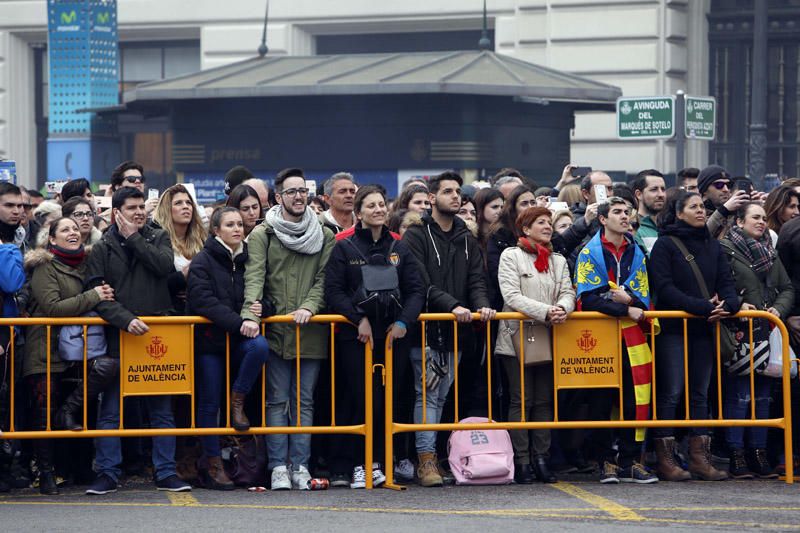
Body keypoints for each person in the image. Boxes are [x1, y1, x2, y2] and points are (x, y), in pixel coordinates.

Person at [84, 187, 190, 494]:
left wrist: (133, 237)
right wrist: (125, 319)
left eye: (142, 206)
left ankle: (166, 472)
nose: (139, 212)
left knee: (161, 410)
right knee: (111, 411)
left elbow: (163, 266)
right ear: (117, 212)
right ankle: (107, 472)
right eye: (132, 207)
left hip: (158, 333)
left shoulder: (157, 237)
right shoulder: (102, 247)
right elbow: (97, 294)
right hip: (121, 335)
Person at [241, 167, 335, 491]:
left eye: (302, 190)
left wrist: (310, 306)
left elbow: (324, 279)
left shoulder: (324, 232)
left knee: (304, 400)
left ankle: (302, 465)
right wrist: (250, 315)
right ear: (278, 197)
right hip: (277, 328)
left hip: (310, 329)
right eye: (291, 191)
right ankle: (279, 466)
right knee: (277, 400)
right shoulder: (262, 234)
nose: (298, 196)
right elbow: (254, 276)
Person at [325, 185, 425, 489]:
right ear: (359, 212)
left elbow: (416, 290)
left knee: (389, 403)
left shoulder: (400, 247)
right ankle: (360, 464)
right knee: (361, 401)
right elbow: (333, 292)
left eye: (382, 205)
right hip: (357, 339)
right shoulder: (344, 247)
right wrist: (359, 320)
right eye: (371, 206)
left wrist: (403, 323)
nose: (379, 210)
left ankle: (382, 463)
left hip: (394, 338)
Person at [403, 170, 495, 487]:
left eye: (458, 192)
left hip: (457, 331)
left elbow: (476, 281)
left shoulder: (465, 237)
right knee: (426, 396)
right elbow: (419, 283)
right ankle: (425, 460)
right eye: (448, 191)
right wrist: (452, 305)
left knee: (440, 398)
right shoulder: (415, 236)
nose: (456, 196)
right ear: (431, 198)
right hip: (427, 329)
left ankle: (432, 456)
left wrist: (481, 304)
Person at [649, 191, 740, 481]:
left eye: (702, 207)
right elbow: (663, 288)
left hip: (704, 328)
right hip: (673, 329)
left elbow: (727, 282)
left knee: (700, 394)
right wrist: (702, 307)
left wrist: (729, 306)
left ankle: (700, 459)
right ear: (679, 213)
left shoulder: (712, 245)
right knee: (672, 392)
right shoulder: (665, 245)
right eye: (694, 207)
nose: (701, 211)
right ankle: (665, 459)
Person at [21, 218, 115, 494]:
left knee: (78, 409)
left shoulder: (88, 264)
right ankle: (47, 473)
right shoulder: (44, 266)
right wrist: (94, 296)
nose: (73, 232)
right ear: (51, 239)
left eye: (75, 229)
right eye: (65, 230)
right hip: (45, 349)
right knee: (43, 414)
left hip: (79, 349)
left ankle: (77, 468)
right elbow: (52, 307)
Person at [574, 197, 658, 484]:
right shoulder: (590, 251)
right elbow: (589, 298)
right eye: (618, 213)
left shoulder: (637, 252)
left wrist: (628, 300)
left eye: (627, 212)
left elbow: (644, 299)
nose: (625, 217)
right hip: (599, 337)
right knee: (601, 399)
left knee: (635, 398)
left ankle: (630, 460)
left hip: (632, 338)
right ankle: (605, 461)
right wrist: (626, 307)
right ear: (602, 219)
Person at [187, 207, 271, 490]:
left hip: (238, 341)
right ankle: (213, 464)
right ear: (215, 230)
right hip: (210, 342)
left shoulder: (250, 258)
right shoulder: (203, 260)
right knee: (209, 402)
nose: (237, 228)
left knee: (259, 346)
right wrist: (239, 323)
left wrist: (264, 308)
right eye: (230, 224)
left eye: (239, 224)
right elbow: (202, 301)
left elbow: (264, 292)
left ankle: (238, 402)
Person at [495, 206, 575, 484]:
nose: (548, 226)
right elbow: (511, 295)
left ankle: (541, 458)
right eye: (541, 222)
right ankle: (522, 461)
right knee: (521, 398)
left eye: (549, 222)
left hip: (549, 336)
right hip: (517, 336)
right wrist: (546, 311)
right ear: (525, 229)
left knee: (543, 400)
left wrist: (562, 308)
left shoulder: (558, 260)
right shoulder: (511, 256)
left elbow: (568, 291)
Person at [720, 203, 793, 479]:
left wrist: (779, 309)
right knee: (739, 396)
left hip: (767, 329)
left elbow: (786, 288)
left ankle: (759, 453)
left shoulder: (770, 252)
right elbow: (721, 284)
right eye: (755, 217)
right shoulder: (726, 249)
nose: (762, 222)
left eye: (764, 218)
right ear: (739, 222)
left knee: (763, 395)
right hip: (739, 330)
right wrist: (738, 305)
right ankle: (736, 454)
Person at [0, 185, 26, 493]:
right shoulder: (8, 246)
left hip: (11, 334)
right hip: (2, 334)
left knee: (7, 406)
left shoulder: (13, 239)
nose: (17, 210)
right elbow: (11, 281)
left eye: (20, 205)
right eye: (9, 205)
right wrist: (9, 251)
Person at [153, 184, 207, 314]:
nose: (185, 206)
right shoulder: (155, 241)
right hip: (170, 315)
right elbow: (153, 285)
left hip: (201, 313)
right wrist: (183, 276)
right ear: (166, 209)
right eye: (178, 203)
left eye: (188, 203)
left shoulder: (204, 241)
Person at [486, 185, 535, 310]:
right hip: (509, 304)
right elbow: (497, 274)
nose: (530, 207)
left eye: (533, 202)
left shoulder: (541, 231)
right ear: (513, 209)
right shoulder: (499, 234)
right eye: (524, 203)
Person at [697, 165, 749, 240]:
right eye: (719, 185)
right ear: (704, 190)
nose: (726, 189)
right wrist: (724, 210)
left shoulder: (736, 210)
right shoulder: (696, 211)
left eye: (728, 185)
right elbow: (702, 237)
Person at [631, 169, 667, 255]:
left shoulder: (668, 225)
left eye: (663, 189)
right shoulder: (633, 227)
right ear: (639, 194)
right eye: (654, 190)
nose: (661, 194)